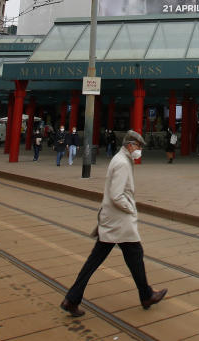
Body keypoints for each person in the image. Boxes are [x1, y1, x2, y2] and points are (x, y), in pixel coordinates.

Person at [60, 130, 167, 317]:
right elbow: (117, 195)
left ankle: (72, 299)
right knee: (133, 255)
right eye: (138, 146)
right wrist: (130, 209)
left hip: (113, 221)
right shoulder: (122, 163)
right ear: (130, 145)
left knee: (115, 259)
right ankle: (146, 295)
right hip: (119, 220)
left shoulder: (121, 160)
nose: (139, 150)